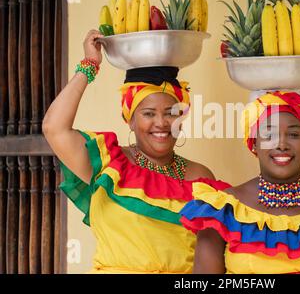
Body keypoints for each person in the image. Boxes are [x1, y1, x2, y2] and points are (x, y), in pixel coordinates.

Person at [43, 29, 229, 273]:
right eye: (148, 114)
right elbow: (53, 128)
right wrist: (89, 65)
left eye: (171, 113)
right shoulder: (108, 164)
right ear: (129, 119)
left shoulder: (200, 177)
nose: (161, 123)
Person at [180, 90, 300, 274]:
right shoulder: (221, 209)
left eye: (293, 134)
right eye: (269, 135)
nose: (281, 144)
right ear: (254, 143)